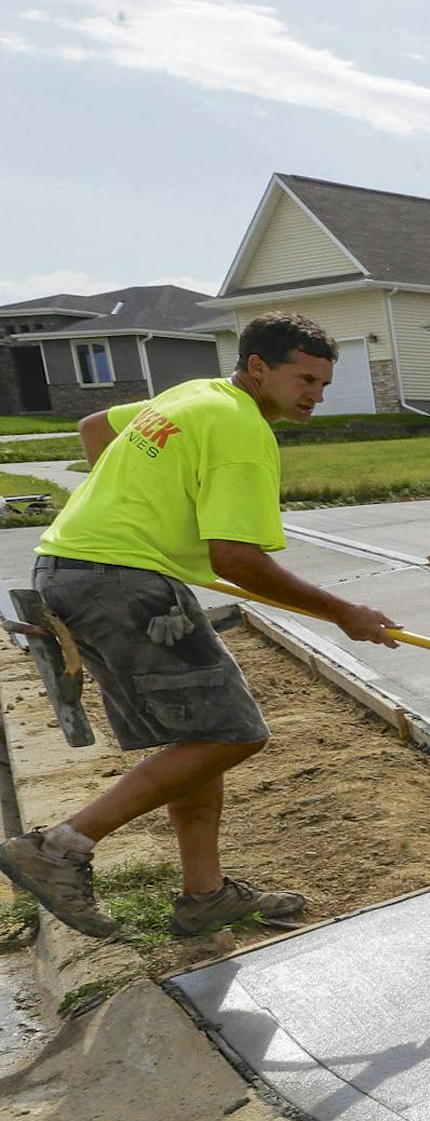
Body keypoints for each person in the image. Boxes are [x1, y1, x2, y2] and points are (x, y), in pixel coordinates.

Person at [0, 311, 400, 939]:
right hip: (120, 581)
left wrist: (138, 508)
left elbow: (94, 427)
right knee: (235, 734)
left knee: (198, 739)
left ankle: (204, 893)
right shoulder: (242, 428)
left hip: (74, 566)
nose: (315, 396)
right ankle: (59, 848)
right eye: (305, 380)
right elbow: (236, 560)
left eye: (323, 384)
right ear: (259, 367)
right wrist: (343, 611)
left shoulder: (194, 395)